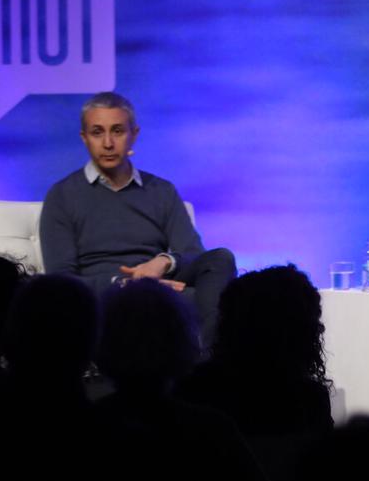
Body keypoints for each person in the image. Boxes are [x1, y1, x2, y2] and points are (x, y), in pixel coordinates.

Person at [39, 91, 235, 347]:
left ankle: (212, 359)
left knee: (221, 258)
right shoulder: (62, 195)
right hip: (106, 296)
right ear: (84, 138)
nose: (108, 143)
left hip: (161, 289)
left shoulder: (161, 190)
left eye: (118, 131)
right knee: (203, 300)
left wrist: (163, 263)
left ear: (134, 134)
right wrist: (124, 283)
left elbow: (193, 253)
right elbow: (61, 280)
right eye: (98, 132)